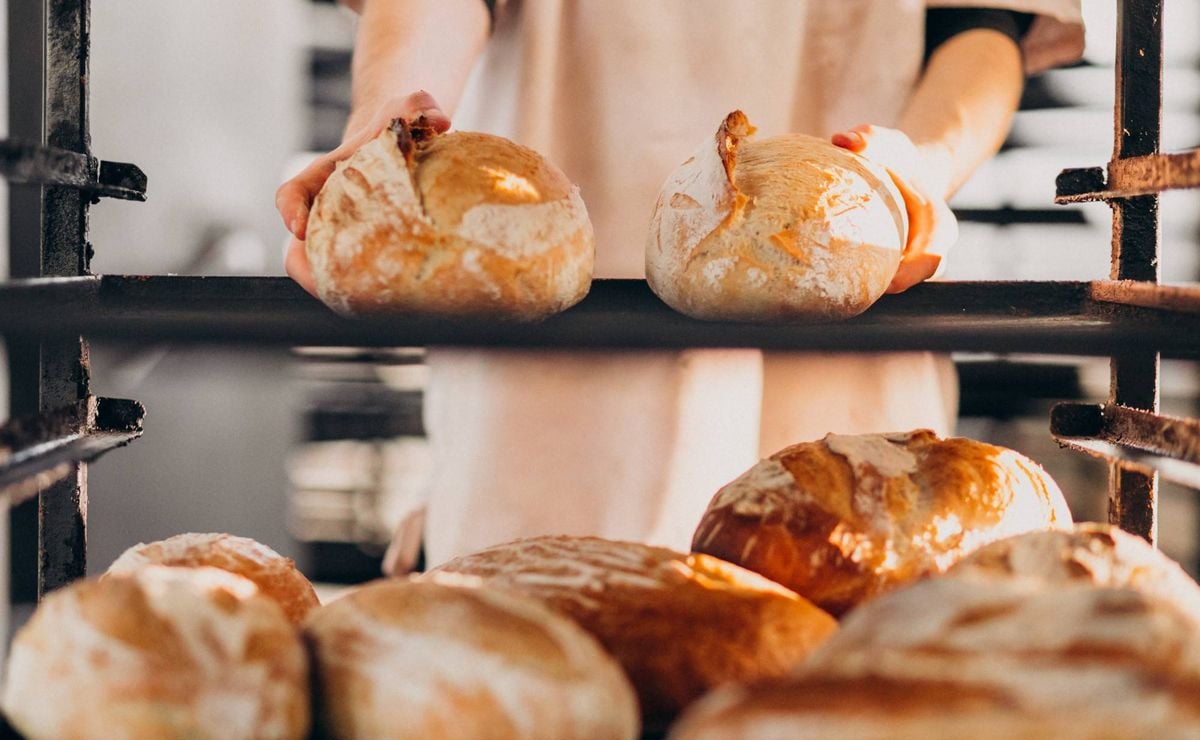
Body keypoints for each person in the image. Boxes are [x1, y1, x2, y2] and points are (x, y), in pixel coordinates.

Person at [277, 1, 1084, 571]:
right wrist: (388, 134)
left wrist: (923, 166)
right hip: (546, 376)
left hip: (844, 281)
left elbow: (982, 27)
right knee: (545, 666)